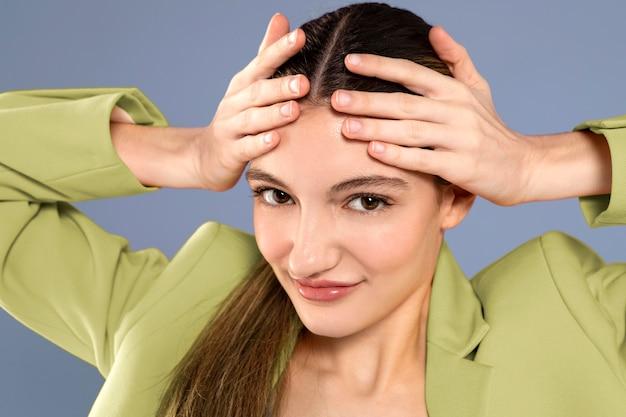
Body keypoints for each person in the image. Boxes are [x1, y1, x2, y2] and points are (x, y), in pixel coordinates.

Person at [0, 2, 624, 417]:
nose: (307, 255)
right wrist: (188, 154)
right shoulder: (176, 313)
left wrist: (536, 165)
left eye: (366, 200)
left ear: (455, 195)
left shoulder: (575, 322)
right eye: (276, 195)